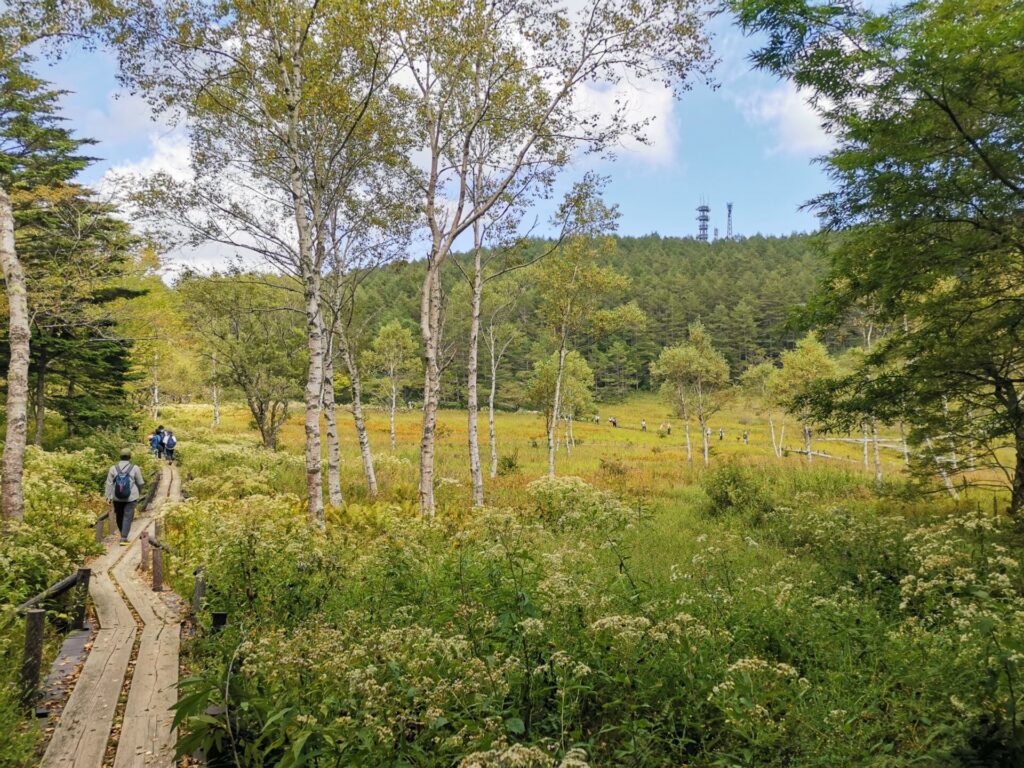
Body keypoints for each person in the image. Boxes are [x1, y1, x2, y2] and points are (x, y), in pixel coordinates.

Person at [104, 449, 145, 545]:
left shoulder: (113, 468)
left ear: (120, 457)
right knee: (128, 516)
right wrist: (138, 492)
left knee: (119, 515)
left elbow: (109, 483)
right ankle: (124, 537)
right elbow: (141, 482)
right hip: (131, 497)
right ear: (130, 457)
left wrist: (108, 497)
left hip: (117, 497)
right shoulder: (134, 468)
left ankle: (123, 533)